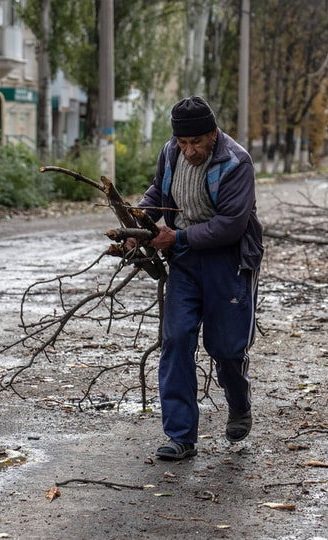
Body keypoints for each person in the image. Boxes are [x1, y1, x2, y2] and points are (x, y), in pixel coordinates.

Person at [131, 96, 264, 460]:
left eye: (196, 143)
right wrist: (137, 221)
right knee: (175, 340)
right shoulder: (171, 152)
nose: (189, 151)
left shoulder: (236, 162)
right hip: (186, 261)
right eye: (183, 143)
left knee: (226, 348)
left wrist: (177, 236)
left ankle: (239, 404)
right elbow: (159, 193)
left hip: (228, 261)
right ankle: (180, 435)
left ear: (212, 134)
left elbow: (231, 225)